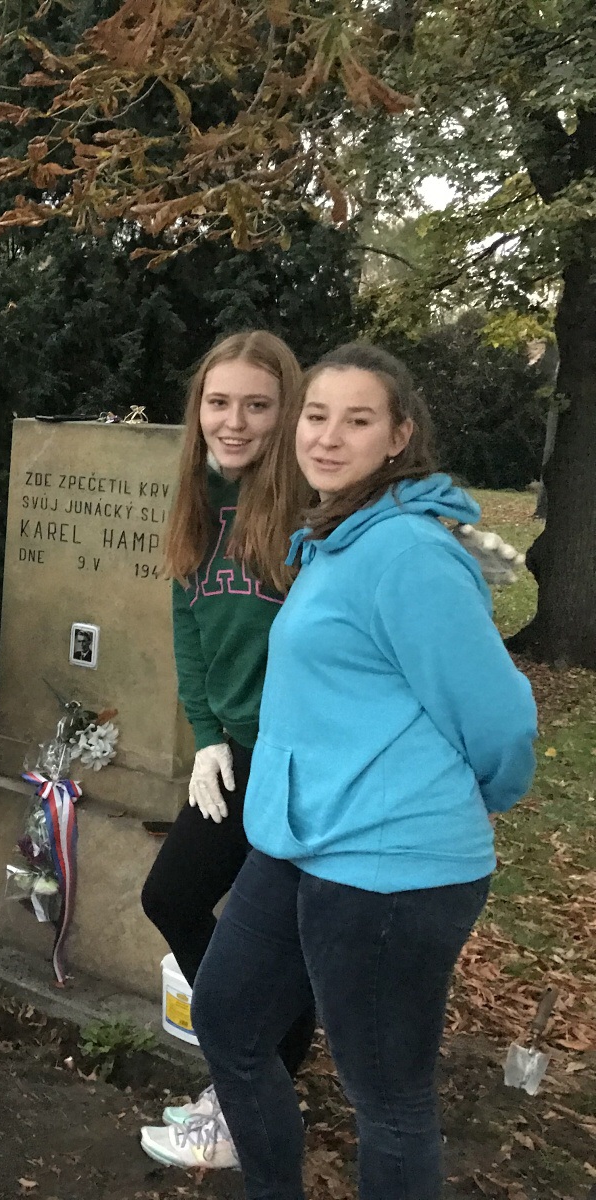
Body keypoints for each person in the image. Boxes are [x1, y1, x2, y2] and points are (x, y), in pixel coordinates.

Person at [189, 344, 538, 1195]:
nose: (328, 437)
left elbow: (499, 719)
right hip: (302, 840)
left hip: (390, 869)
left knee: (389, 1100)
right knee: (228, 1019)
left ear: (399, 436)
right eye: (316, 416)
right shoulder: (340, 536)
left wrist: (447, 806)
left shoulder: (409, 552)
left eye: (357, 420)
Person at [136, 331, 317, 1168]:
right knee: (172, 896)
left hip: (302, 758)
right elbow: (189, 622)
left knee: (279, 940)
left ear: (287, 411)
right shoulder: (199, 496)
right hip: (238, 751)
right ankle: (257, 1075)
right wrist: (206, 736)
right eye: (218, 402)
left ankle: (251, 1091)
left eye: (256, 405)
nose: (234, 421)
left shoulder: (311, 509)